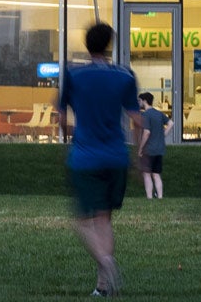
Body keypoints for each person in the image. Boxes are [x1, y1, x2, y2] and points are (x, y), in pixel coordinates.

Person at [56, 22, 141, 297]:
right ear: (110, 45)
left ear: (86, 44)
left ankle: (106, 263)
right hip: (116, 156)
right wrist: (138, 155)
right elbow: (137, 120)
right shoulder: (125, 75)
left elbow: (60, 116)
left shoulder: (73, 74)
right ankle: (102, 287)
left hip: (85, 157)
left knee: (83, 221)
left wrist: (68, 136)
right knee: (104, 220)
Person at [134, 92, 171, 200]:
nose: (139, 103)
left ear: (144, 101)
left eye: (140, 100)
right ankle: (160, 197)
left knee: (146, 174)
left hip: (148, 149)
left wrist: (140, 148)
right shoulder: (159, 113)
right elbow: (171, 123)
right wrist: (162, 135)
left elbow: (146, 132)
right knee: (156, 174)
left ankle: (149, 197)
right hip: (159, 149)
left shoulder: (145, 115)